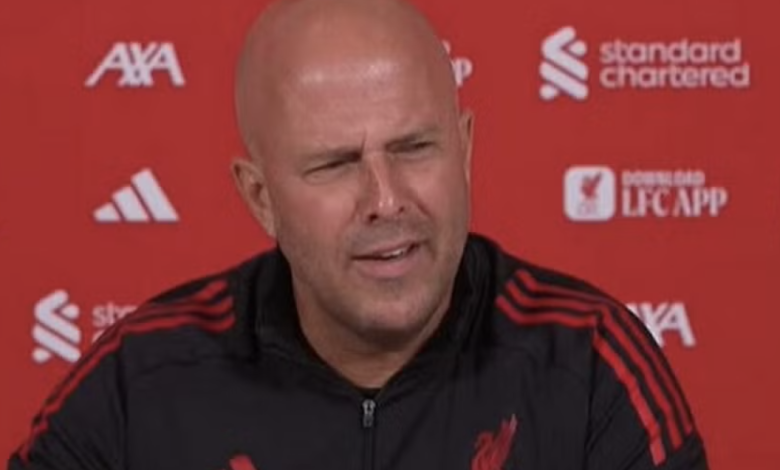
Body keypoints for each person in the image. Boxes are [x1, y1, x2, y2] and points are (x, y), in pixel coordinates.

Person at [9, 0, 708, 468]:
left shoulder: (589, 364)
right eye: (336, 164)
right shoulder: (137, 387)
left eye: (415, 148)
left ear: (465, 151)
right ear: (260, 197)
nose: (386, 199)